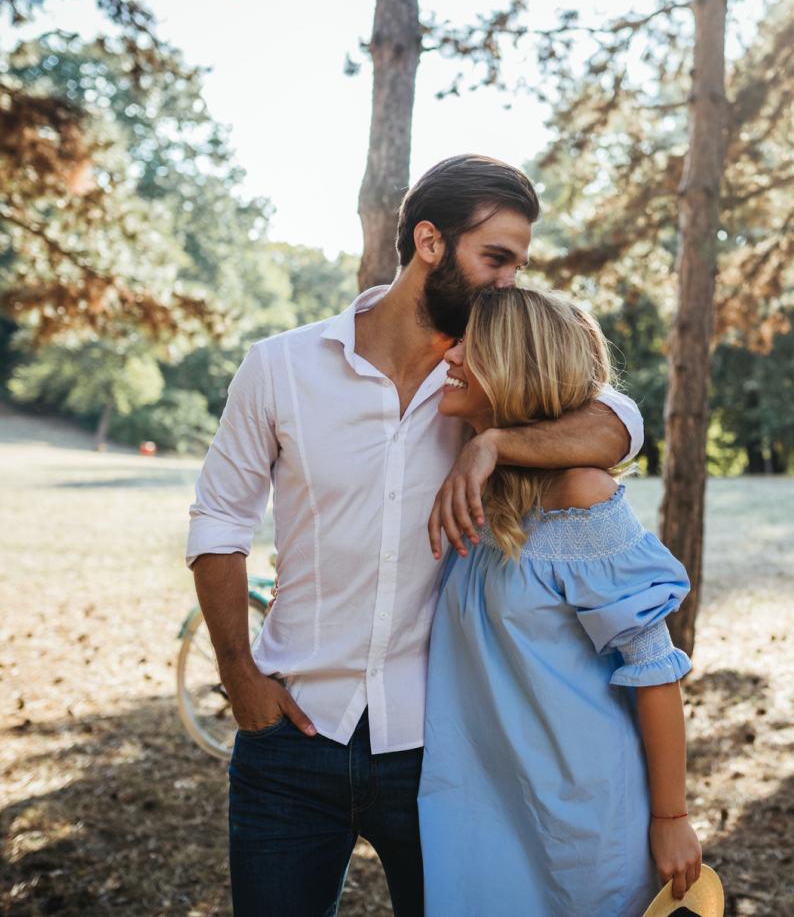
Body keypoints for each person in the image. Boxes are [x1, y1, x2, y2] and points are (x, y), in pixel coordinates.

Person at [185, 155, 645, 917]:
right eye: (494, 258)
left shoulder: (485, 384)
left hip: (444, 749)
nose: (508, 283)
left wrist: (494, 444)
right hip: (290, 739)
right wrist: (240, 675)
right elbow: (219, 521)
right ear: (429, 241)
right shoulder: (281, 368)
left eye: (519, 265)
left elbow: (621, 422)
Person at [419, 287, 701, 916]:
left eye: (473, 343)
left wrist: (671, 816)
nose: (453, 351)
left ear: (517, 365)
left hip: (581, 820)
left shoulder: (581, 492)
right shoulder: (474, 484)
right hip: (477, 806)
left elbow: (654, 669)